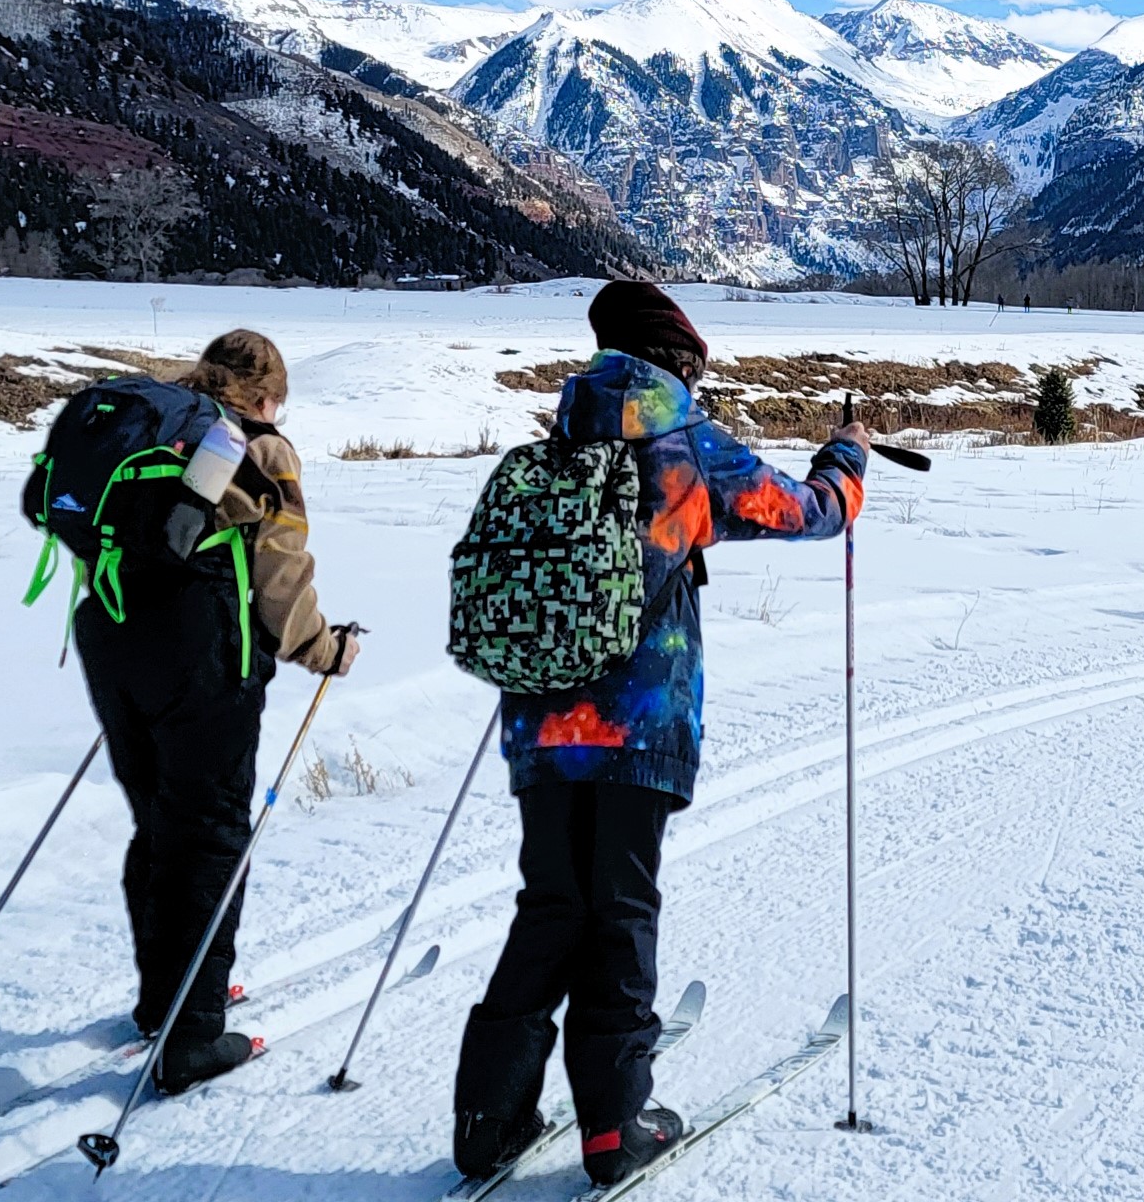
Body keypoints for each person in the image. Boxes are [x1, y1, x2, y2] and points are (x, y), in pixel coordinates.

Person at [453, 282, 868, 1187]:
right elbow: (807, 511)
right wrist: (845, 461)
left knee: (550, 906)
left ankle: (488, 1118)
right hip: (640, 721)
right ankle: (613, 1124)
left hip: (541, 719)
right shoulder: (685, 449)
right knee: (622, 908)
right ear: (678, 364)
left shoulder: (558, 437)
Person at [72, 330, 357, 1093]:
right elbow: (281, 569)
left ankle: (163, 999)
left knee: (159, 822)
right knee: (209, 830)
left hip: (110, 627)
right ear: (266, 394)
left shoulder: (151, 422)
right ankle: (191, 1036)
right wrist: (322, 648)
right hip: (202, 649)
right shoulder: (257, 446)